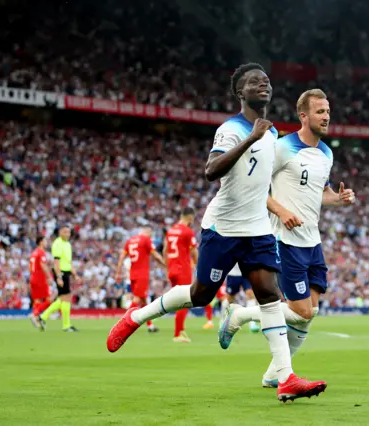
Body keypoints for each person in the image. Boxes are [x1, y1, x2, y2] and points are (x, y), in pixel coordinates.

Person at [107, 63, 326, 402]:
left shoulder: (272, 134)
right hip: (223, 227)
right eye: (255, 81)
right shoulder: (233, 129)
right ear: (241, 92)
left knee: (269, 296)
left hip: (257, 229)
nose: (263, 84)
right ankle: (136, 316)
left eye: (266, 81)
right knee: (201, 295)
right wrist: (250, 137)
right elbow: (211, 171)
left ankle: (285, 378)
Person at [220, 89, 355, 389]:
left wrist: (340, 198)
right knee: (301, 311)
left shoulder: (326, 153)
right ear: (303, 116)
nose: (326, 116)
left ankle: (272, 374)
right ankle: (239, 315)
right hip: (286, 240)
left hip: (312, 241)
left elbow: (321, 193)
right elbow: (253, 185)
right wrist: (280, 211)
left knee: (310, 312)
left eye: (328, 111)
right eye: (320, 111)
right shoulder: (282, 148)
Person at [114, 227, 167, 333]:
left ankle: (150, 325)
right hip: (142, 274)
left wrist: (118, 273)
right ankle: (122, 325)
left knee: (143, 300)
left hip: (132, 274)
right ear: (148, 233)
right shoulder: (146, 239)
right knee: (137, 299)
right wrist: (165, 265)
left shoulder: (130, 241)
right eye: (151, 235)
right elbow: (155, 255)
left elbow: (121, 258)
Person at [163, 207, 198, 343]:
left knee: (179, 300)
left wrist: (167, 268)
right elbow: (194, 251)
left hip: (172, 269)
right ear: (190, 218)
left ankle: (180, 330)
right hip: (183, 269)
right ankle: (178, 333)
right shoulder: (187, 232)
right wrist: (196, 264)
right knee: (185, 300)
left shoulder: (171, 230)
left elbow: (165, 250)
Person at [39, 227, 80, 332]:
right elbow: (56, 262)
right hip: (60, 272)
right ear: (60, 232)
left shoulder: (68, 244)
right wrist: (58, 277)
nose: (68, 234)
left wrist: (74, 274)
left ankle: (43, 316)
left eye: (69, 232)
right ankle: (66, 325)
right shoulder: (57, 244)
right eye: (65, 232)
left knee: (64, 298)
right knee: (66, 298)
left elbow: (68, 261)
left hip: (66, 272)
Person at [224, 264, 260, 332]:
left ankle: (252, 323)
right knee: (230, 299)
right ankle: (224, 319)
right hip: (233, 273)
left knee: (250, 294)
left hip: (247, 271)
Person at [29, 236, 53, 330]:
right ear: (40, 242)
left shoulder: (33, 253)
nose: (46, 242)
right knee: (49, 300)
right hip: (40, 278)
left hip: (33, 278)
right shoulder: (41, 252)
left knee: (37, 301)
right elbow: (43, 265)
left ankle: (38, 321)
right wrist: (49, 277)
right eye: (45, 240)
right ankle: (35, 315)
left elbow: (30, 267)